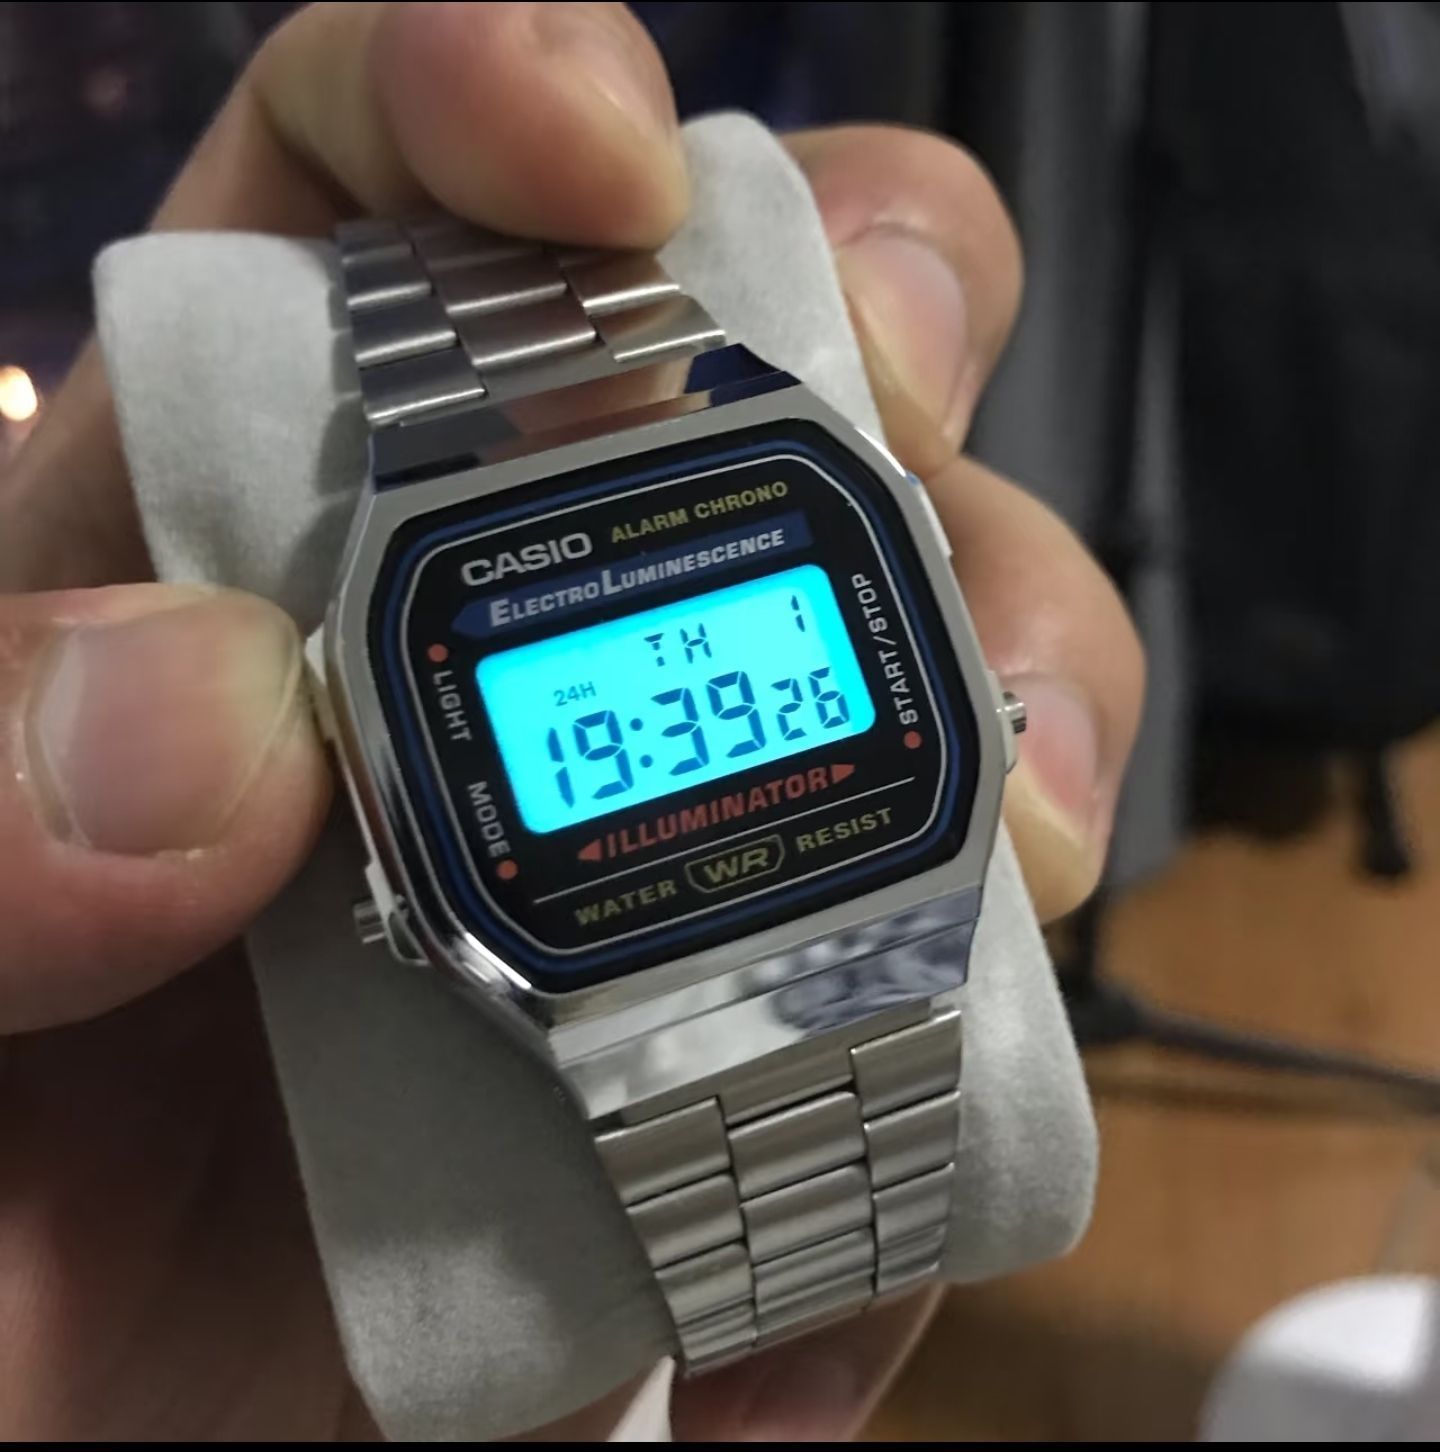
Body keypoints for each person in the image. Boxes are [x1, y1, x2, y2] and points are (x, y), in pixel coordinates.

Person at [0, 2, 1143, 1440]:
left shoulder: (778, 489)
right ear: (405, 902)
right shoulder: (432, 833)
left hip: (867, 931)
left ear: (976, 705)